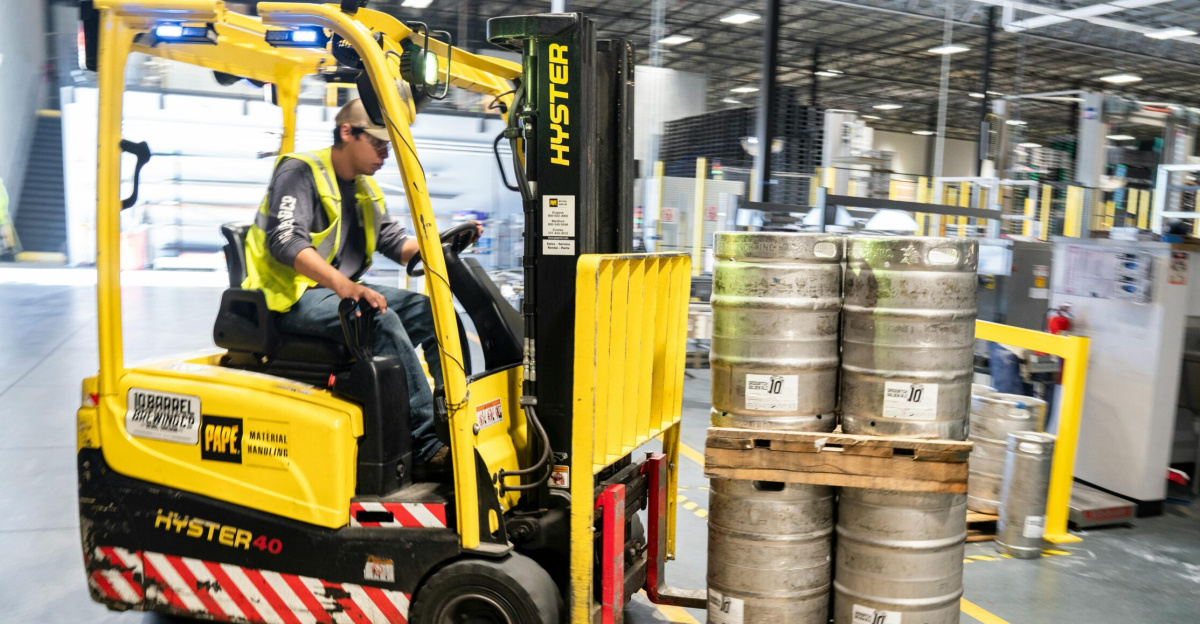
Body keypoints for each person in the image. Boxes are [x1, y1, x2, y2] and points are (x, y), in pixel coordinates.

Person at [242, 98, 478, 470]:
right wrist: (345, 286)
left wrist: (443, 245)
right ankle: (425, 443)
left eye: (387, 146)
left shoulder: (365, 189)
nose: (384, 154)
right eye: (379, 144)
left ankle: (454, 419)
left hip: (334, 293)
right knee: (377, 316)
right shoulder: (300, 171)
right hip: (291, 299)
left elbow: (396, 245)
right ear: (348, 133)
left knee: (433, 312)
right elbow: (285, 240)